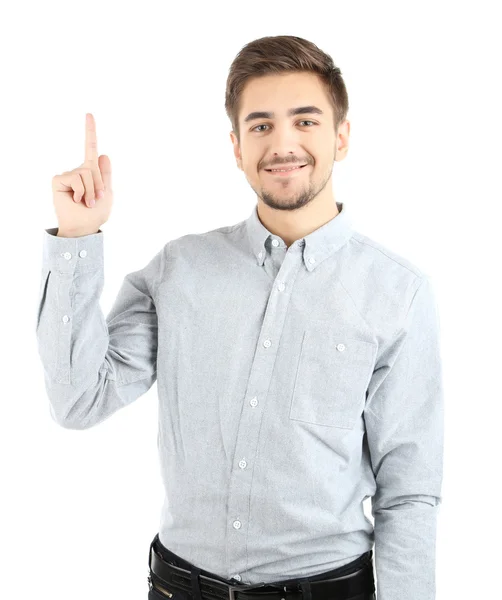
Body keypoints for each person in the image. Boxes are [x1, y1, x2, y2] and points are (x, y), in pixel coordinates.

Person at [35, 35, 444, 600]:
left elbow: (409, 492)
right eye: (260, 125)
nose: (283, 143)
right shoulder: (180, 269)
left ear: (341, 137)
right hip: (179, 586)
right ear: (236, 145)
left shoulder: (398, 293)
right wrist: (78, 236)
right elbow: (79, 400)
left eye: (305, 121)